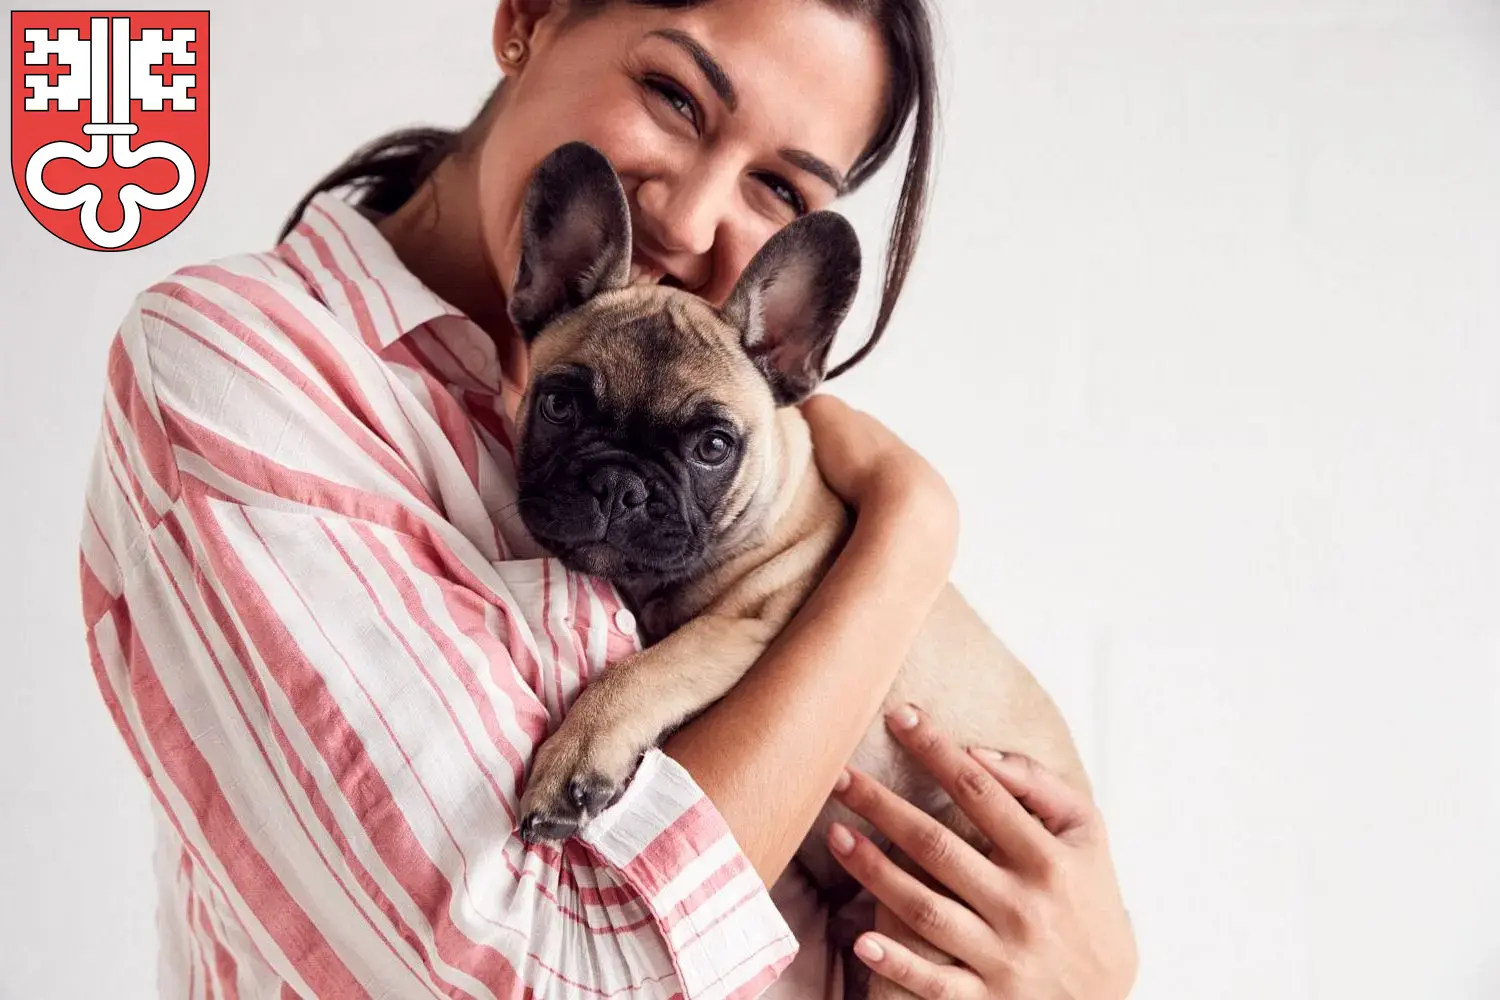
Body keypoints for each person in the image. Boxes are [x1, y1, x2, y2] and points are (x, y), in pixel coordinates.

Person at [78, 1, 1137, 996]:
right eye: (676, 96)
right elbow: (552, 968)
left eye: (780, 189)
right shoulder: (247, 374)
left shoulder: (721, 408)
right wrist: (909, 531)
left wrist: (1088, 969)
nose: (689, 212)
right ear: (529, 13)